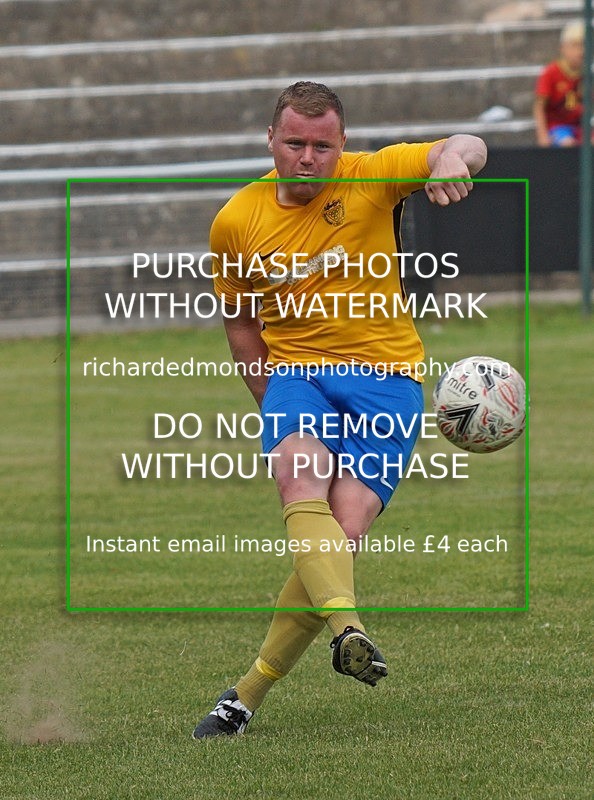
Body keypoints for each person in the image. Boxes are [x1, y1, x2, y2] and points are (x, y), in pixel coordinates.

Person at [192, 81, 487, 739]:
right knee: (300, 479)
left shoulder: (371, 178)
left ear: (342, 145)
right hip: (300, 377)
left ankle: (244, 695)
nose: (307, 157)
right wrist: (274, 402)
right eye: (293, 142)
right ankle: (348, 628)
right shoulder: (237, 220)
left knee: (342, 533)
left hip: (388, 383)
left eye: (321, 145)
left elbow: (469, 144)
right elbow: (241, 323)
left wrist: (448, 159)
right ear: (271, 141)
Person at [533, 20, 585, 147]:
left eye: (584, 45)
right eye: (575, 45)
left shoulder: (587, 73)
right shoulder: (550, 73)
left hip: (582, 126)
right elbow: (539, 106)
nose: (581, 51)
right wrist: (542, 136)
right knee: (567, 144)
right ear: (563, 48)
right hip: (557, 127)